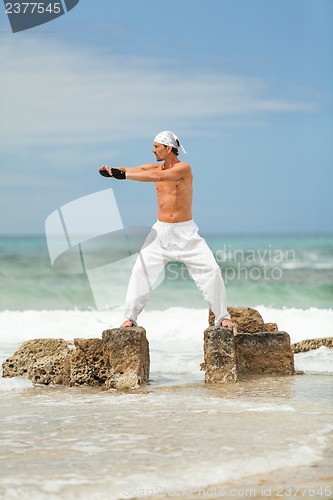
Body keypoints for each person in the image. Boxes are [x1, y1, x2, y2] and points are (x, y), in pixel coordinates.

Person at [99, 131, 234, 329]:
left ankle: (222, 317)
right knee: (140, 271)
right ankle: (130, 318)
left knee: (211, 271)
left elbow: (159, 176)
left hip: (185, 233)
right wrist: (113, 171)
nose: (153, 150)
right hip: (160, 233)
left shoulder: (183, 168)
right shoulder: (155, 166)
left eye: (156, 146)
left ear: (169, 148)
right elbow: (132, 168)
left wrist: (125, 176)